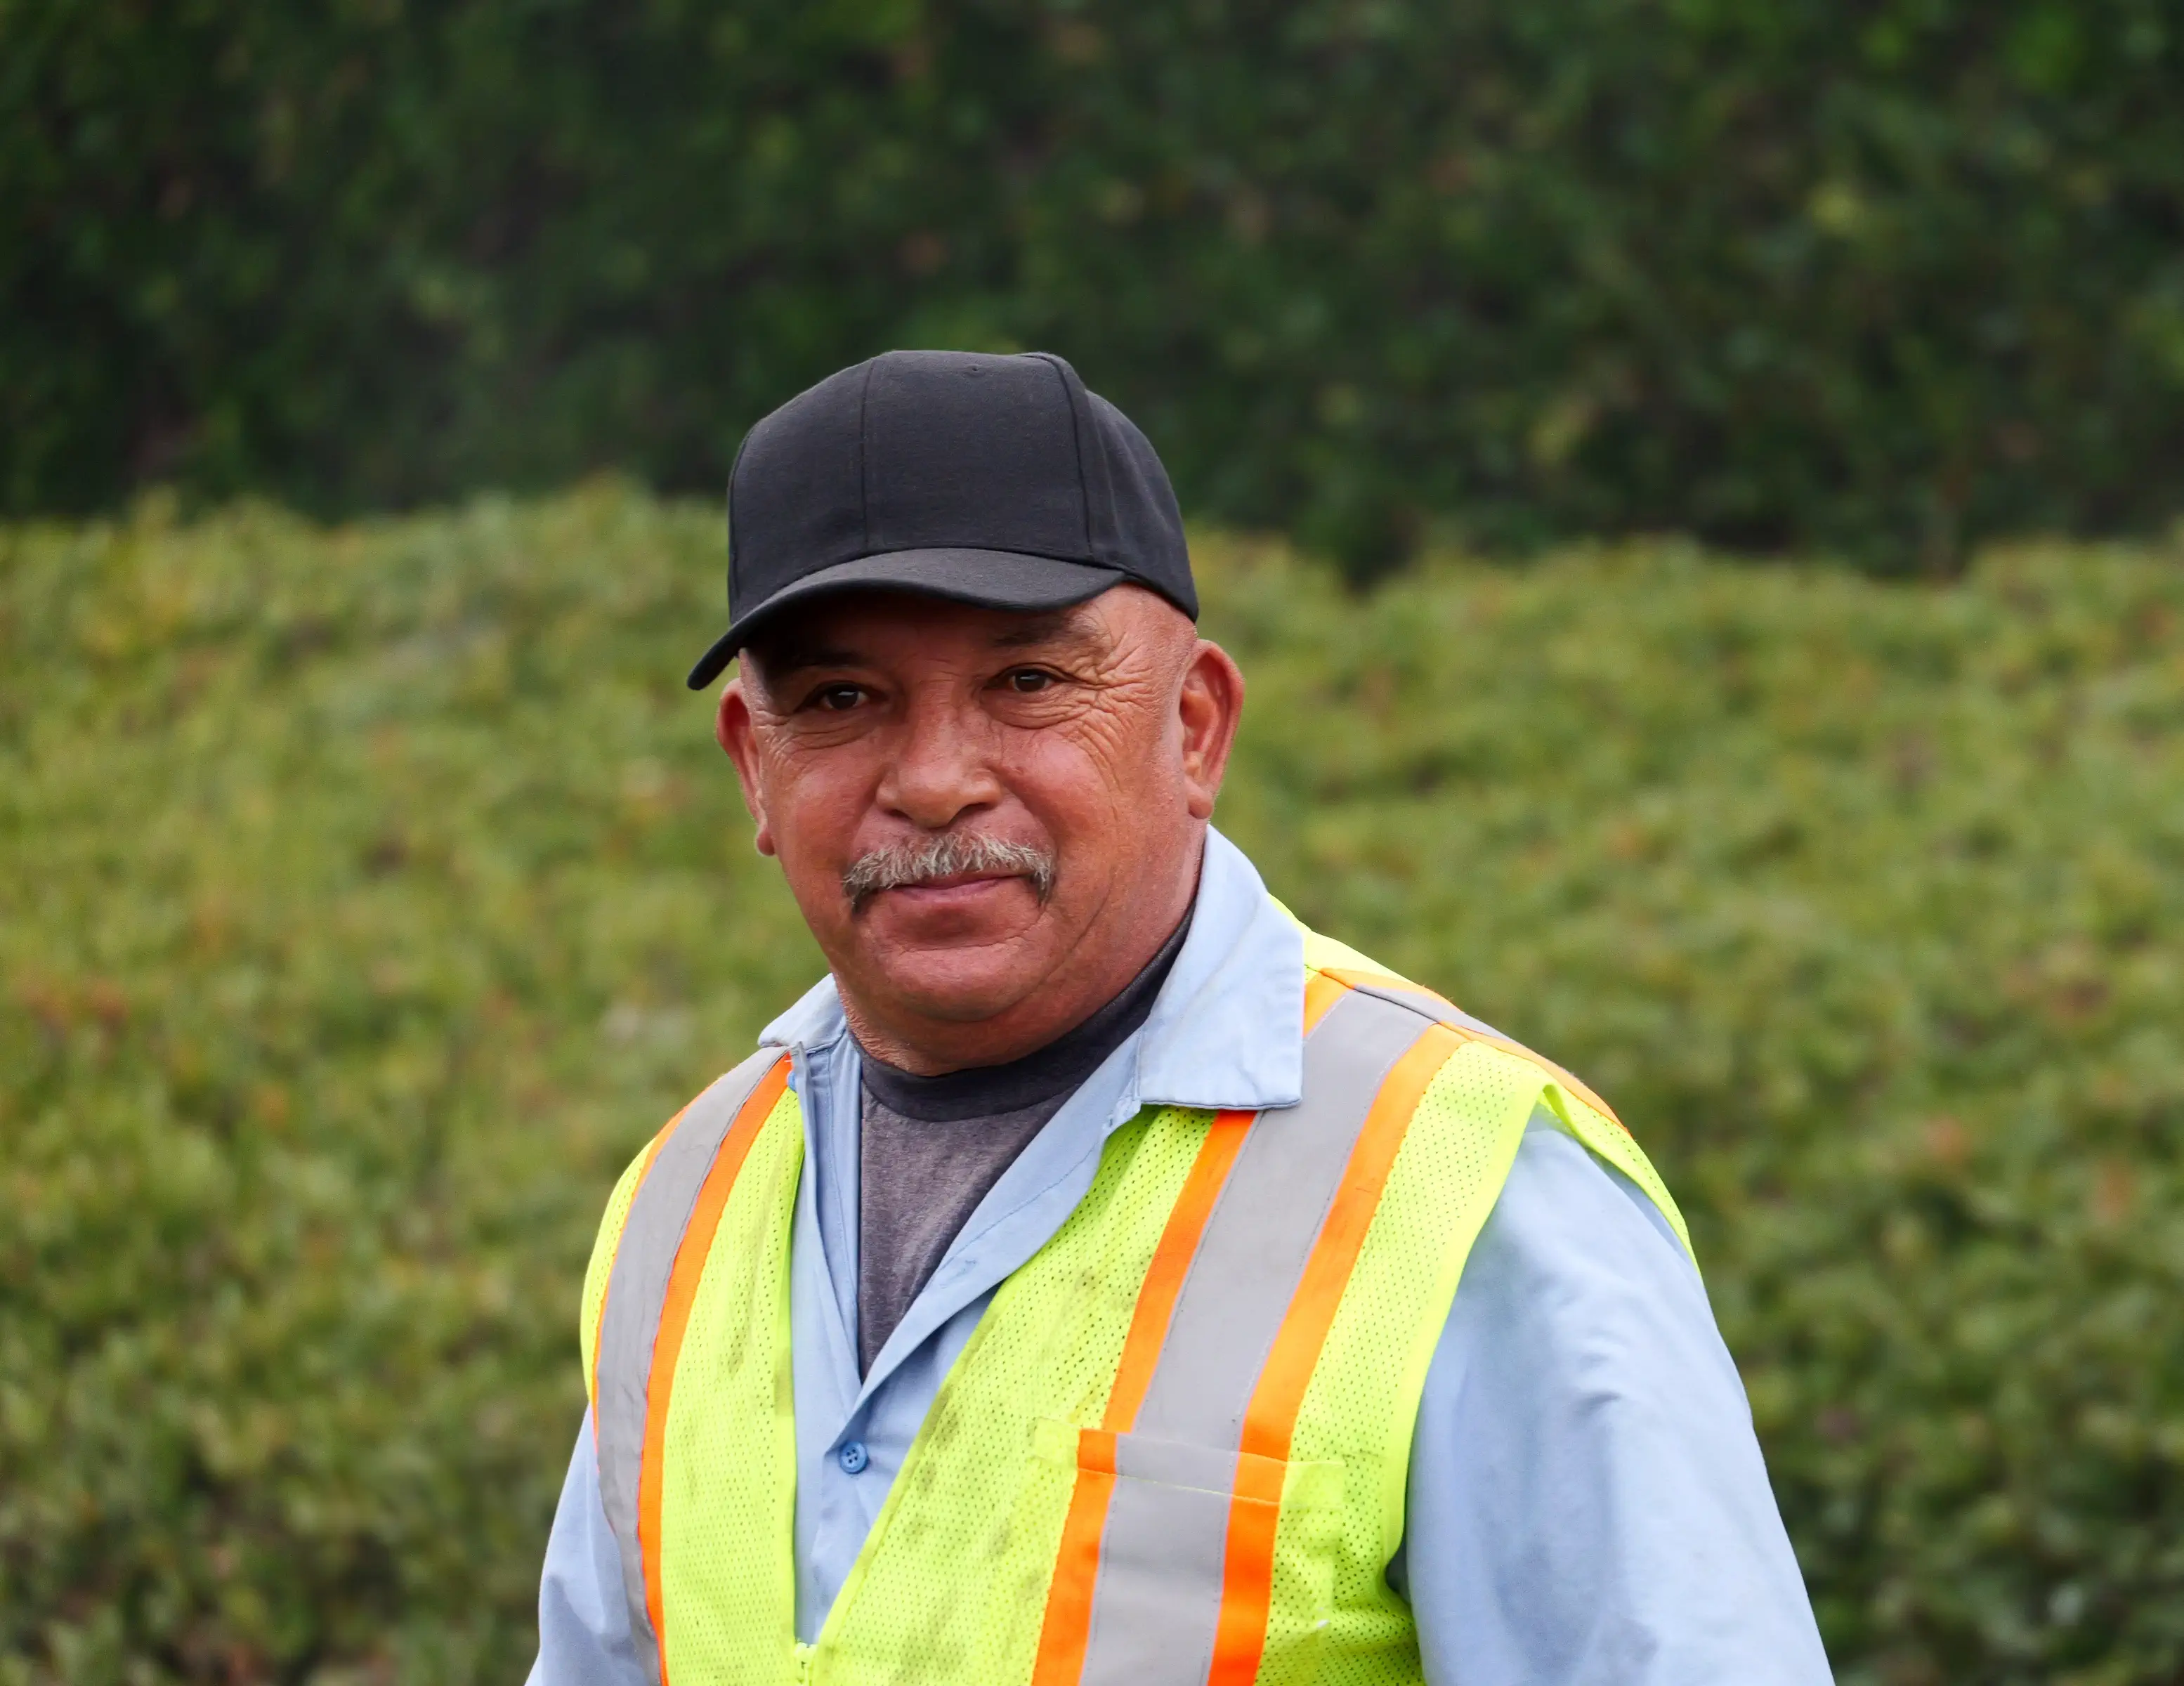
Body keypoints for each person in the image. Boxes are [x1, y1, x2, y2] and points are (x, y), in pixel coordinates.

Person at [528, 351, 1833, 1685]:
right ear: (756, 768)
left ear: (1196, 728)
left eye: (1028, 682)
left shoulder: (1468, 1187)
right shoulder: (681, 1207)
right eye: (841, 701)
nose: (932, 781)